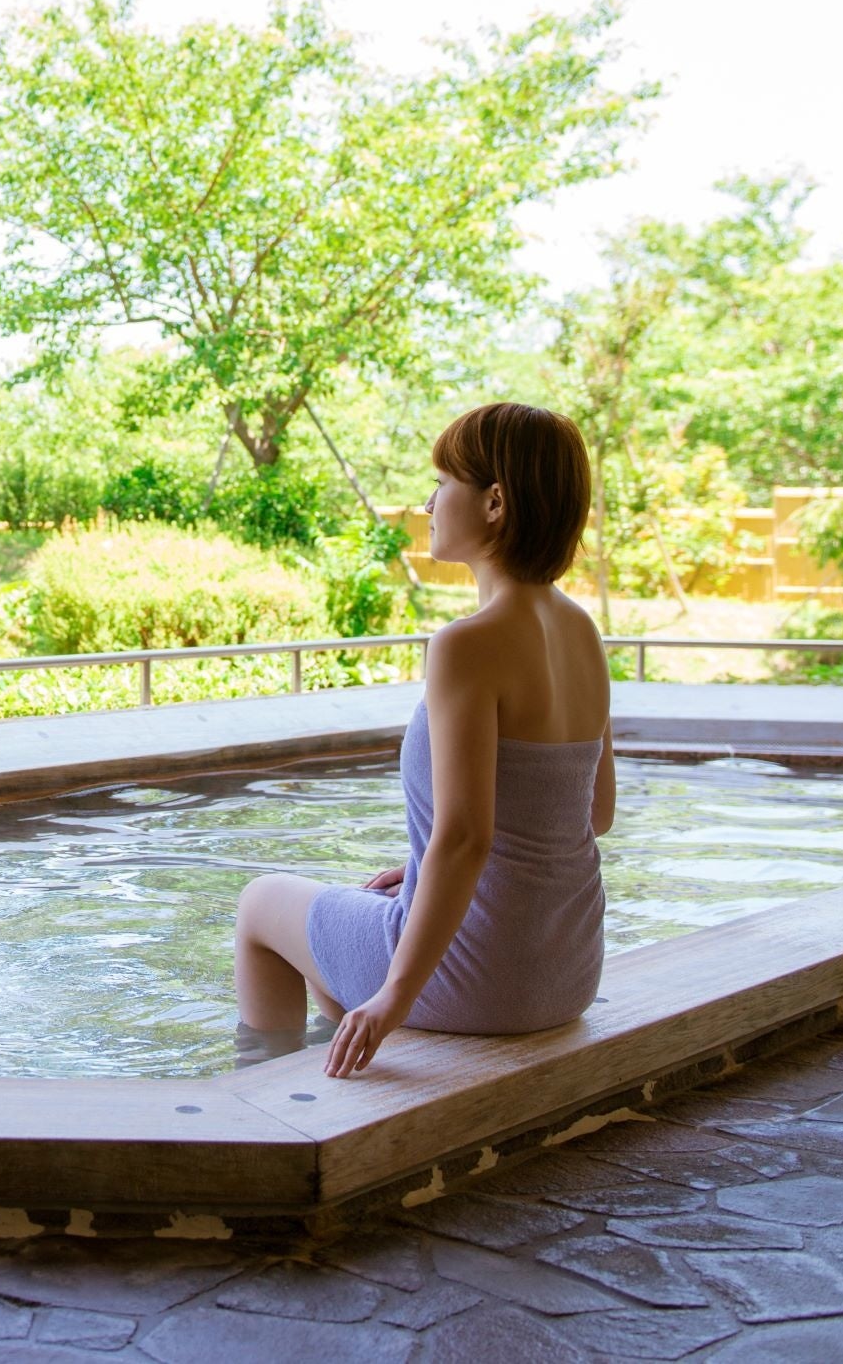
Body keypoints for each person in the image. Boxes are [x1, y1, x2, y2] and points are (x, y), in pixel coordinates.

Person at [232, 402, 613, 1079]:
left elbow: (464, 838)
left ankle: (260, 1096)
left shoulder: (466, 645)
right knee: (341, 925)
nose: (429, 502)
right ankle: (332, 1053)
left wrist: (392, 1000)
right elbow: (590, 813)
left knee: (261, 903)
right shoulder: (582, 633)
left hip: (482, 981)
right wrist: (418, 871)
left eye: (443, 482)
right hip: (566, 974)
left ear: (495, 503)